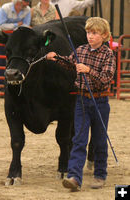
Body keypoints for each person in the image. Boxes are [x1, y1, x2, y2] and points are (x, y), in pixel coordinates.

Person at [46, 17, 116, 190]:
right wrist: (57, 58)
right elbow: (71, 64)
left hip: (100, 101)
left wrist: (88, 70)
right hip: (82, 101)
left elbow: (106, 79)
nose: (90, 36)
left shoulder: (108, 55)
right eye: (88, 32)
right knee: (78, 139)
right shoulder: (81, 50)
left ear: (105, 35)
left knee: (99, 140)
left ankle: (100, 174)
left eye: (94, 33)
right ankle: (74, 177)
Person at [0, 0, 31, 97]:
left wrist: (11, 27)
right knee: (1, 62)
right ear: (19, 1)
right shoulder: (5, 8)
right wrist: (16, 25)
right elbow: (1, 25)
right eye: (26, 1)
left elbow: (26, 26)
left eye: (28, 2)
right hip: (4, 38)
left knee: (16, 62)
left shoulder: (27, 10)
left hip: (18, 40)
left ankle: (13, 86)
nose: (27, 4)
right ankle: (2, 87)